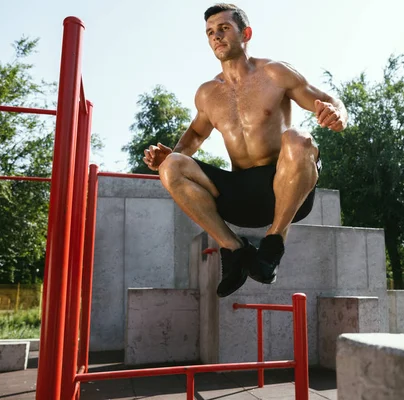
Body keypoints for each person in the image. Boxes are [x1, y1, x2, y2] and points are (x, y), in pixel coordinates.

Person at [143, 3, 348, 297]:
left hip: (284, 187)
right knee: (172, 166)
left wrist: (338, 115)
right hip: (239, 196)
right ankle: (234, 249)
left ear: (246, 33)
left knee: (299, 137)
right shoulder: (207, 93)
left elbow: (331, 100)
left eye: (224, 28)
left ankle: (273, 244)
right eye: (210, 32)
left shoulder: (275, 73)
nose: (216, 36)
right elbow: (195, 136)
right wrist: (169, 156)